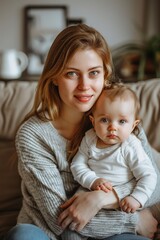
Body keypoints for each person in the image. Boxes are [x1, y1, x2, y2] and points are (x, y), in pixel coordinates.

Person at [5, 24, 159, 240]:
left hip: (110, 233)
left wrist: (102, 198)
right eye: (71, 74)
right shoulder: (33, 135)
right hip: (47, 232)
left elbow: (155, 184)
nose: (84, 86)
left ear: (105, 74)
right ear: (55, 78)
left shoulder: (121, 117)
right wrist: (135, 220)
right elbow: (58, 218)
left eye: (93, 73)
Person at [71, 83, 157, 215]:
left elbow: (148, 175)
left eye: (122, 121)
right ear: (93, 121)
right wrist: (92, 180)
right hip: (89, 191)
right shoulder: (89, 139)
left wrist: (137, 198)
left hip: (120, 200)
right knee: (72, 217)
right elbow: (77, 164)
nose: (113, 127)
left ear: (134, 125)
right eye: (105, 120)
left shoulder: (130, 145)